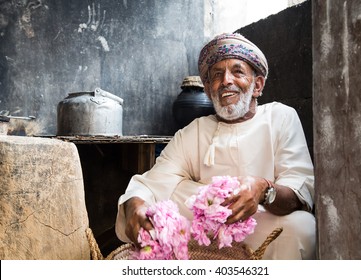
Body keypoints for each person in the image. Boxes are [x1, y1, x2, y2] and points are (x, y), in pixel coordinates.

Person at [115, 33, 316, 260]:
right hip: (202, 233)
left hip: (259, 225)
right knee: (171, 194)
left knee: (302, 228)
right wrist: (135, 207)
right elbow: (152, 183)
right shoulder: (194, 131)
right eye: (217, 75)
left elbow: (300, 188)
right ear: (210, 89)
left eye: (237, 71)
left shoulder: (280, 117)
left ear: (257, 85)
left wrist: (262, 189)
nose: (226, 81)